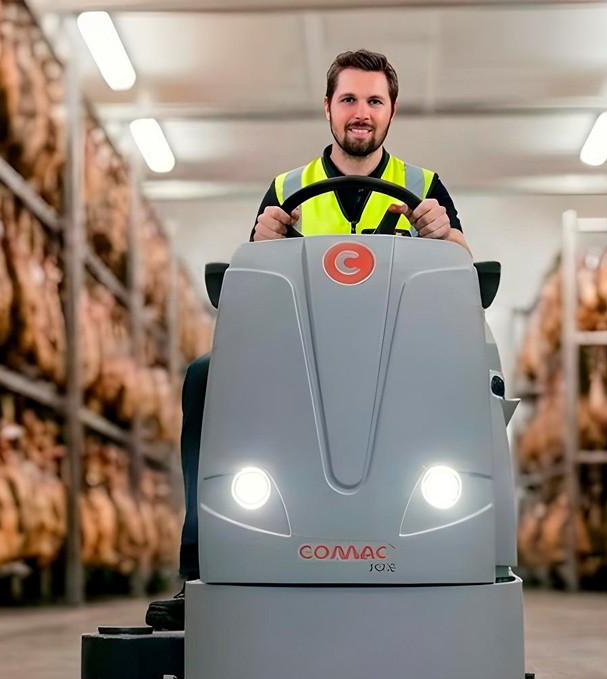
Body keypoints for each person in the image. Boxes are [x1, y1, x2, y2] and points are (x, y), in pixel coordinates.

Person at [147, 49, 469, 631]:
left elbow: (466, 270)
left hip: (398, 358)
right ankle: (199, 565)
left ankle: (461, 552)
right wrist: (261, 239)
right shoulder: (287, 188)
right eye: (349, 99)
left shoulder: (425, 187)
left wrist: (444, 235)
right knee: (203, 377)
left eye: (374, 100)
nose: (361, 112)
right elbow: (251, 285)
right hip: (301, 359)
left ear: (391, 110)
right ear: (328, 107)